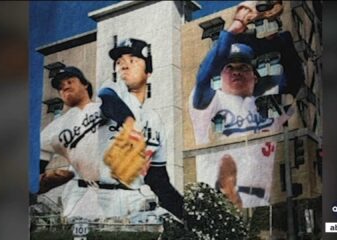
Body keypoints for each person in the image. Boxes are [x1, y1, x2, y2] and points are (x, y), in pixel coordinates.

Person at [189, 2, 294, 207]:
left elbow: (293, 80)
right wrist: (231, 31)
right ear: (221, 73)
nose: (236, 71)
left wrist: (278, 34)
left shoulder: (267, 102)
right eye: (229, 67)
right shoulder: (212, 99)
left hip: (263, 204)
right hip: (217, 204)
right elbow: (203, 77)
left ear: (255, 76)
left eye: (243, 66)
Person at [39, 66, 159, 219]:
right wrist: (42, 180)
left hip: (121, 192)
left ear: (85, 85)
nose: (65, 87)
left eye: (70, 81)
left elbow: (114, 103)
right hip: (83, 192)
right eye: (60, 87)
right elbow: (38, 160)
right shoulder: (57, 126)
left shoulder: (102, 107)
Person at [98, 38, 183, 220]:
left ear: (148, 71)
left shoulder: (154, 120)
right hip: (100, 197)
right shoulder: (110, 92)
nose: (124, 66)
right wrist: (129, 122)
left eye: (133, 60)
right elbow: (106, 99)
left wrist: (189, 217)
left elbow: (158, 180)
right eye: (119, 62)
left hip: (134, 199)